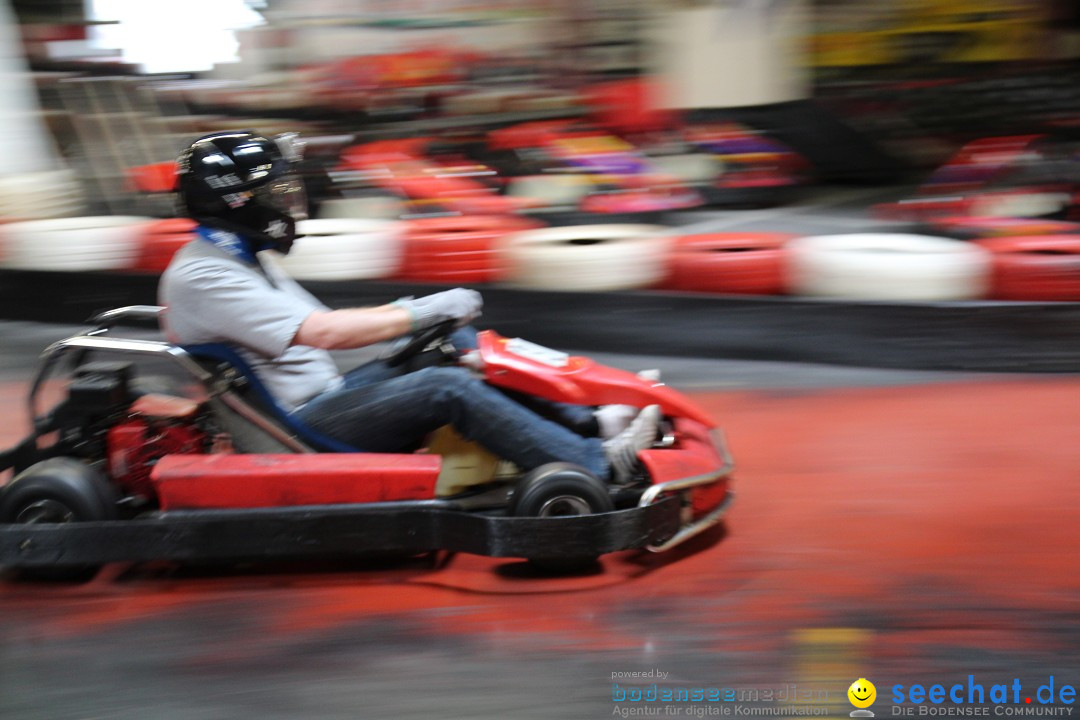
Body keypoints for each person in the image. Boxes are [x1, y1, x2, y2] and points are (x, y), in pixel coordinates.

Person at [158, 131, 661, 484]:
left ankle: (592, 422)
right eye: (275, 191)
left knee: (455, 343)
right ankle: (595, 463)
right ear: (237, 200)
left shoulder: (238, 258)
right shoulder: (204, 275)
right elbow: (327, 333)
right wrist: (422, 310)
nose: (288, 201)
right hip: (304, 427)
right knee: (446, 386)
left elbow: (332, 328)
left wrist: (427, 318)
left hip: (326, 398)